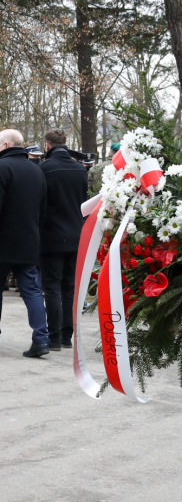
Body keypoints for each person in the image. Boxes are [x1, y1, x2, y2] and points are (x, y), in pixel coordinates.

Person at [0, 129, 49, 357]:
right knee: (32, 292)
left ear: (6, 144)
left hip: (3, 243)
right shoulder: (37, 171)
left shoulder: (2, 168)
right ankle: (41, 339)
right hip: (29, 241)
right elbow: (42, 210)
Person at [39, 128, 88, 351]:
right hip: (77, 235)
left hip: (52, 236)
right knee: (70, 288)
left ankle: (54, 337)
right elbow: (84, 202)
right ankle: (68, 335)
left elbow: (41, 205)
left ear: (47, 146)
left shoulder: (45, 169)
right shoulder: (80, 170)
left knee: (51, 288)